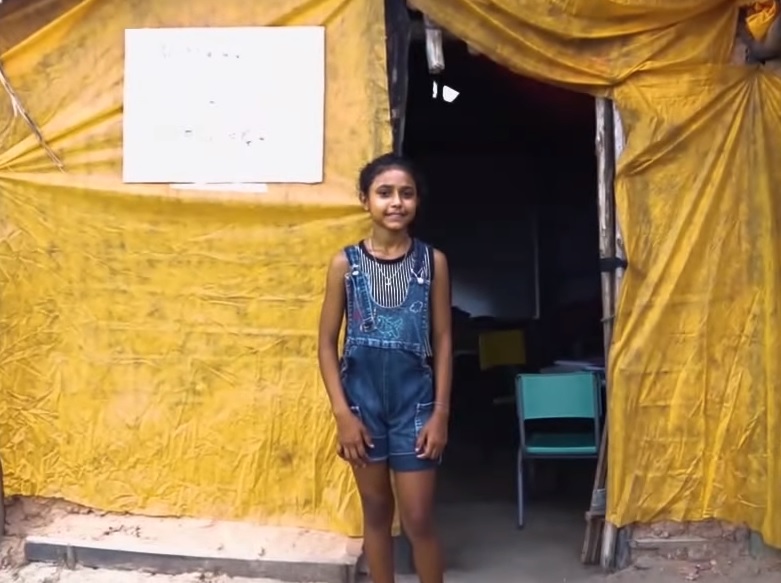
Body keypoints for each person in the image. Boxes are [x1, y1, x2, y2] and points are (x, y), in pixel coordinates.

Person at [318, 153, 452, 583]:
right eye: (385, 193)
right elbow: (325, 343)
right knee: (376, 513)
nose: (396, 202)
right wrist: (343, 415)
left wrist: (440, 414)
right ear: (365, 201)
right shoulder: (346, 265)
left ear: (417, 202)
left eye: (406, 193)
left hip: (416, 409)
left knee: (418, 519)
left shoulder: (432, 263)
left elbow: (444, 340)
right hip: (362, 410)